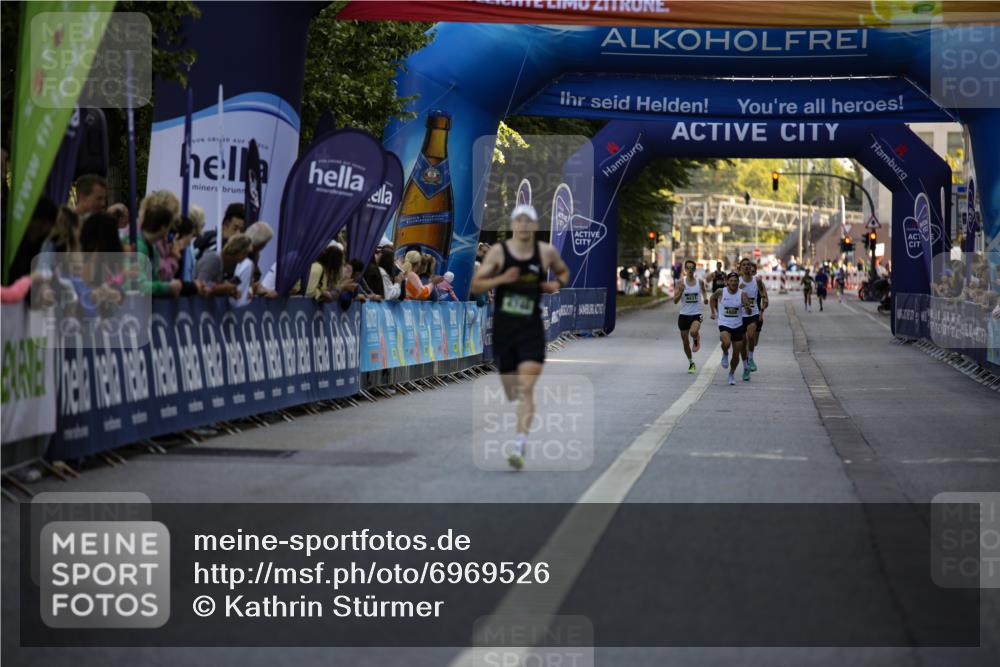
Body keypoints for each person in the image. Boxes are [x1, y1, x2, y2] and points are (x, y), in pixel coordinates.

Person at [471, 204, 570, 470]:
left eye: (529, 221)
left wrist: (555, 285)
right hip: (505, 327)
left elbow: (563, 272)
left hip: (531, 328)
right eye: (520, 220)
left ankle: (518, 444)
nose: (524, 225)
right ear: (514, 224)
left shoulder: (545, 252)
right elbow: (476, 285)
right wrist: (502, 278)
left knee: (526, 388)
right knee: (511, 387)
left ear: (535, 226)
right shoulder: (498, 253)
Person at [710, 271, 752, 386]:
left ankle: (731, 373)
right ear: (727, 282)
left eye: (736, 281)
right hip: (724, 323)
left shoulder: (742, 294)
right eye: (731, 281)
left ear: (738, 282)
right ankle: (724, 352)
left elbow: (749, 311)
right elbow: (711, 298)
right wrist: (713, 312)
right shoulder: (721, 291)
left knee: (736, 354)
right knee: (726, 342)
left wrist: (747, 306)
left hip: (738, 325)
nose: (733, 282)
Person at [136, 206, 183, 297]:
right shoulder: (139, 246)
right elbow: (140, 286)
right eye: (169, 227)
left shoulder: (153, 248)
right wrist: (168, 287)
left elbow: (155, 280)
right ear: (163, 227)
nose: (169, 231)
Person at [195, 233, 252, 302]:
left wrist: (228, 291)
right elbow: (201, 284)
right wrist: (223, 287)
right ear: (240, 253)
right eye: (245, 254)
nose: (245, 258)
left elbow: (209, 285)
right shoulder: (213, 260)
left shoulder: (224, 264)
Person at [674, 259, 707, 374]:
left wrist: (705, 298)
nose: (690, 270)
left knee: (693, 332)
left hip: (696, 314)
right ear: (685, 269)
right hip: (684, 315)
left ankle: (696, 338)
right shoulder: (680, 283)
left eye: (692, 268)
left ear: (694, 269)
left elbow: (703, 291)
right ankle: (691, 362)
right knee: (685, 342)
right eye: (688, 268)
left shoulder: (700, 282)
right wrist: (680, 291)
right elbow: (675, 300)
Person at [738, 258, 768, 379]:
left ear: (751, 267)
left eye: (748, 265)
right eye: (744, 265)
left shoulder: (757, 281)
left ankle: (750, 359)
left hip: (753, 314)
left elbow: (764, 295)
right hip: (740, 315)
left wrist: (764, 304)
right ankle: (745, 367)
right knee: (742, 342)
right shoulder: (736, 281)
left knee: (750, 336)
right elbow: (727, 294)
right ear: (740, 268)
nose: (746, 267)